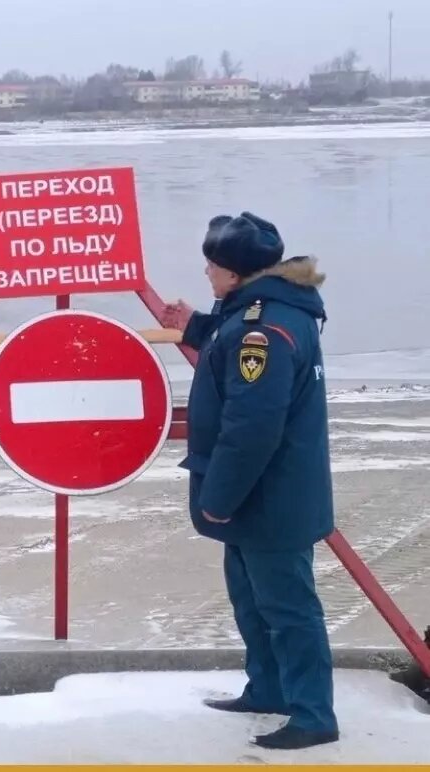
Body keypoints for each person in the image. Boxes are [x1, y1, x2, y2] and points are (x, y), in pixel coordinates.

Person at [162, 212, 338, 751]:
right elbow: (233, 337)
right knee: (251, 600)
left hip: (267, 497)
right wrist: (197, 326)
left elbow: (253, 427)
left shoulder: (263, 329)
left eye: (212, 268)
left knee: (288, 609)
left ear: (236, 275)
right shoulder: (264, 310)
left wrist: (216, 501)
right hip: (259, 497)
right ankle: (268, 688)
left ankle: (312, 714)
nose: (207, 276)